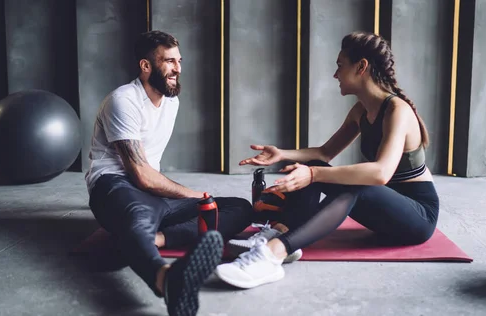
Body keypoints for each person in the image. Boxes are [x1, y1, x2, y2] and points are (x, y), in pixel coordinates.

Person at [215, 31, 440, 289]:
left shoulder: (397, 110)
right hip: (387, 210)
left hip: (418, 217)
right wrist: (283, 154)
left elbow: (380, 174)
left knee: (354, 184)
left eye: (339, 66)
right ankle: (283, 233)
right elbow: (324, 154)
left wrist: (314, 176)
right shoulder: (360, 111)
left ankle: (272, 254)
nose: (335, 75)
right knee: (314, 166)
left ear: (361, 67)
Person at [84, 30, 254, 315]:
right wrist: (197, 196)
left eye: (179, 60)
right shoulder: (123, 100)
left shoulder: (171, 101)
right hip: (115, 185)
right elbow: (140, 175)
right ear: (146, 66)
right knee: (139, 219)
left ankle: (157, 239)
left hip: (154, 194)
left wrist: (200, 201)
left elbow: (151, 178)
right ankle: (165, 279)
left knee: (240, 208)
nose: (178, 68)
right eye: (169, 61)